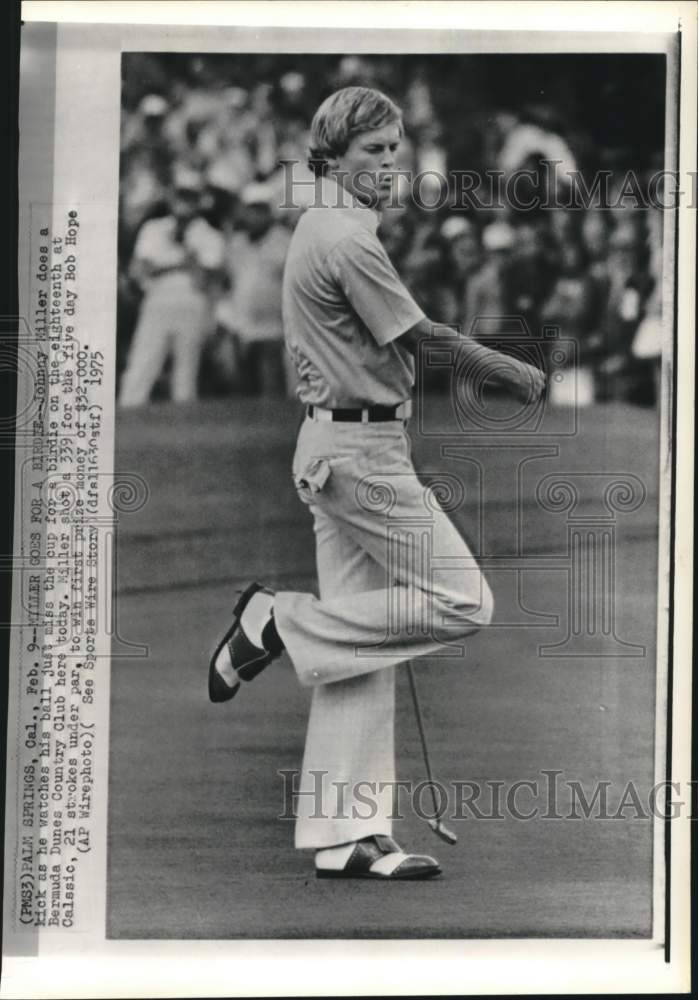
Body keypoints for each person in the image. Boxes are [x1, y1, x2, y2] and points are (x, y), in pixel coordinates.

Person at [207, 87, 545, 880]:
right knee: (464, 600)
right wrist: (507, 369)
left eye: (394, 149)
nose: (389, 163)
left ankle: (344, 835)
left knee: (363, 647)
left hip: (347, 444)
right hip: (358, 454)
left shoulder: (332, 226)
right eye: (371, 151)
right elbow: (420, 334)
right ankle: (275, 622)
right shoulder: (344, 239)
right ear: (331, 159)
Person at [118, 167, 225, 407]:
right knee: (142, 363)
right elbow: (140, 270)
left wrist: (175, 261)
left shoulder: (209, 234)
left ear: (199, 201)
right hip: (157, 302)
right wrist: (183, 261)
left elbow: (205, 278)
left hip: (192, 304)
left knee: (186, 370)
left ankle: (184, 430)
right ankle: (128, 417)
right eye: (180, 195)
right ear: (172, 197)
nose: (183, 202)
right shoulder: (153, 229)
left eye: (189, 196)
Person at [215, 183, 293, 396]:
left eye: (260, 210)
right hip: (241, 330)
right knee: (242, 396)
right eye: (250, 210)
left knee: (271, 394)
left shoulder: (285, 241)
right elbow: (227, 285)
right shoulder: (236, 243)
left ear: (270, 211)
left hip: (274, 331)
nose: (254, 216)